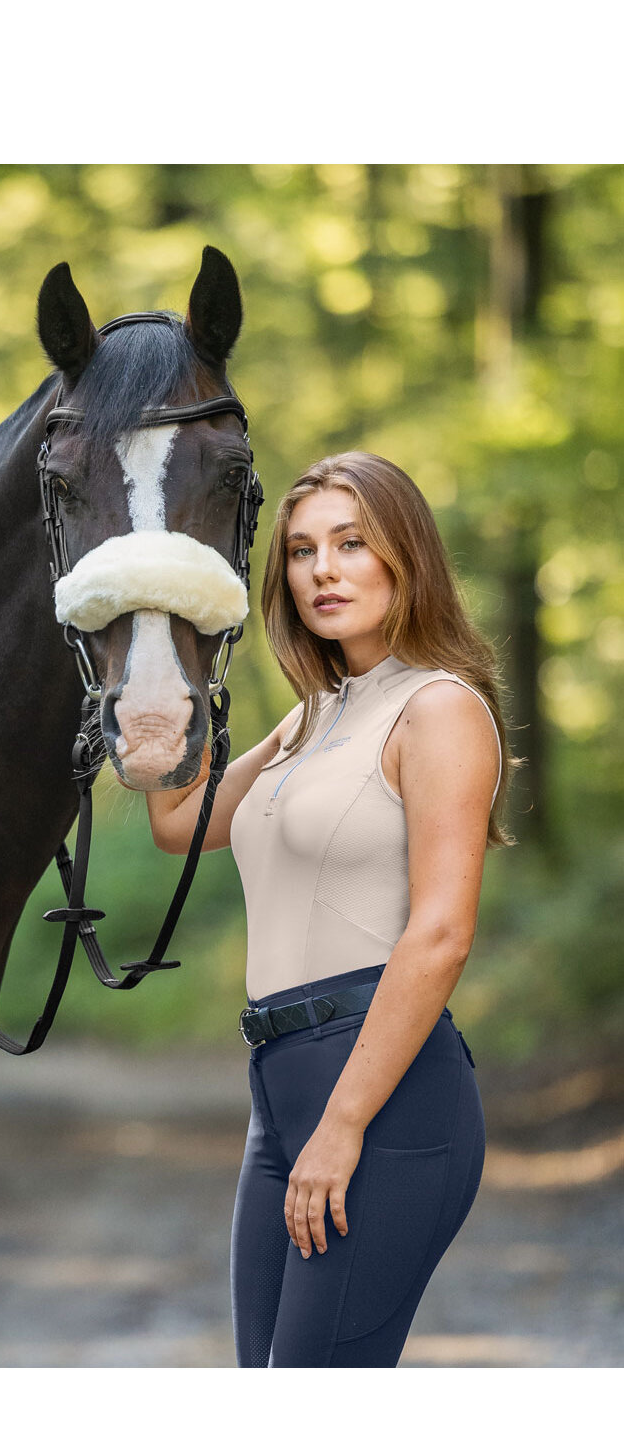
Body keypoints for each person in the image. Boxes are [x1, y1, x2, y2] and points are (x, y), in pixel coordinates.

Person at [147, 451, 514, 1367]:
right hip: (280, 1094)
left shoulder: (438, 711)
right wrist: (161, 672)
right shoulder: (314, 714)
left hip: (383, 1102)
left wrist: (343, 1124)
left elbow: (439, 936)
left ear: (405, 557)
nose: (323, 570)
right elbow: (182, 822)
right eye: (303, 551)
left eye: (352, 543)